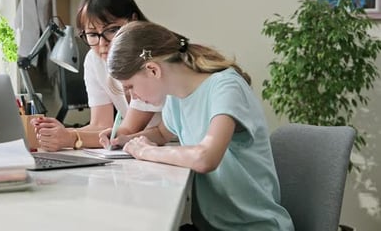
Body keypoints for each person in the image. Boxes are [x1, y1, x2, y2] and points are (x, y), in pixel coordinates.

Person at [101, 21, 294, 231]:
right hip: (212, 227)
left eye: (130, 87)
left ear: (152, 70)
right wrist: (127, 140)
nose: (132, 97)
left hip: (254, 227)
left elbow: (205, 158)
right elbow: (162, 132)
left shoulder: (225, 87)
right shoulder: (175, 98)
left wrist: (147, 151)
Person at [31, 0, 165, 152]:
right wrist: (61, 133)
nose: (103, 44)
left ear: (133, 20)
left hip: (171, 145)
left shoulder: (149, 58)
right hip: (142, 147)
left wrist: (71, 137)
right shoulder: (94, 61)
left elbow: (131, 130)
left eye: (112, 30)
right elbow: (100, 125)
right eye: (93, 34)